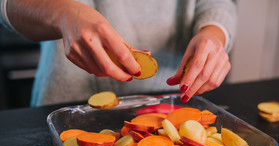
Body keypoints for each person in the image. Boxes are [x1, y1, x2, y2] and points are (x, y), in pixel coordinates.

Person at [0, 0, 237, 106]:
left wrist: (214, 34)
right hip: (64, 105)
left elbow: (217, 3)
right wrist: (63, 14)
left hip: (170, 107)